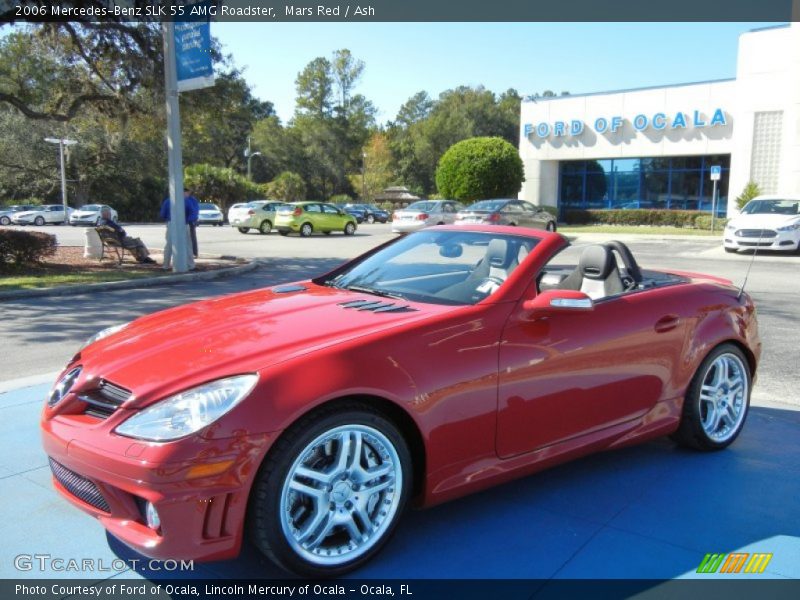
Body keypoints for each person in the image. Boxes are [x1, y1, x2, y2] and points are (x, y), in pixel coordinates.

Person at [160, 190, 197, 270]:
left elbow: (162, 214)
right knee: (187, 245)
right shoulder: (186, 201)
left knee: (169, 245)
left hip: (171, 223)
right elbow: (193, 213)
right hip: (184, 223)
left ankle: (165, 265)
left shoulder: (168, 201)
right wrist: (187, 220)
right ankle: (190, 265)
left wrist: (168, 218)